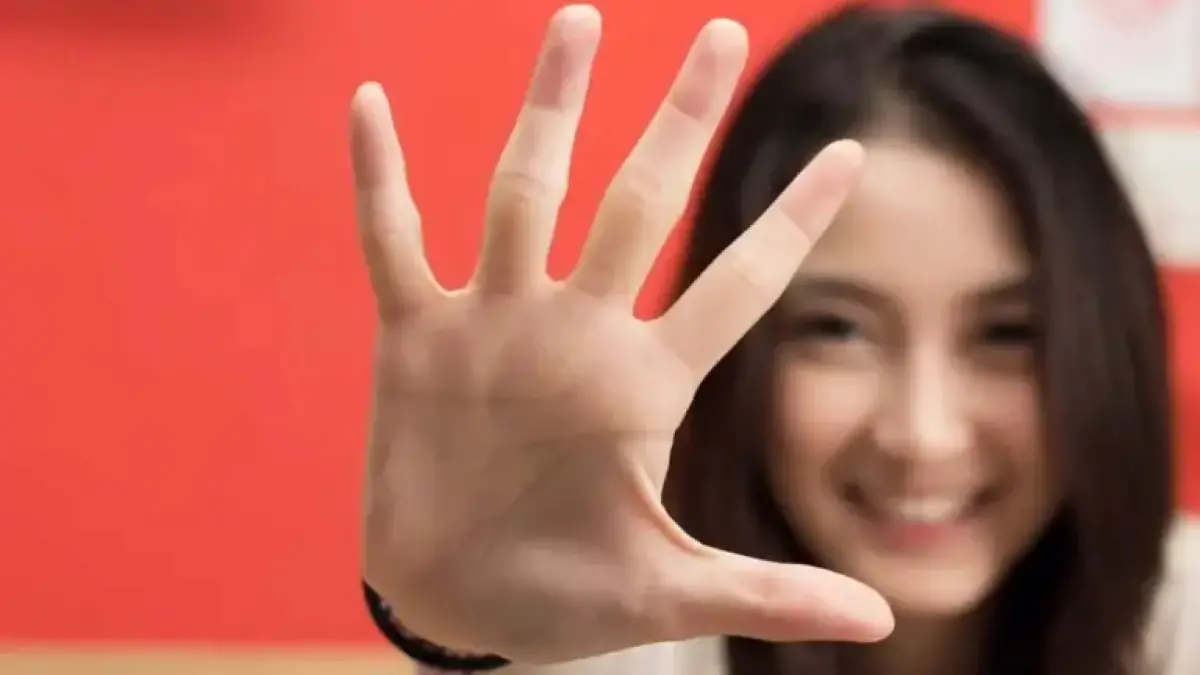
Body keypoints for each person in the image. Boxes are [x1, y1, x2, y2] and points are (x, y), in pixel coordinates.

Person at [350, 3, 1200, 675]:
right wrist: (469, 645)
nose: (923, 435)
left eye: (1009, 334)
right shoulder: (622, 646)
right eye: (838, 329)